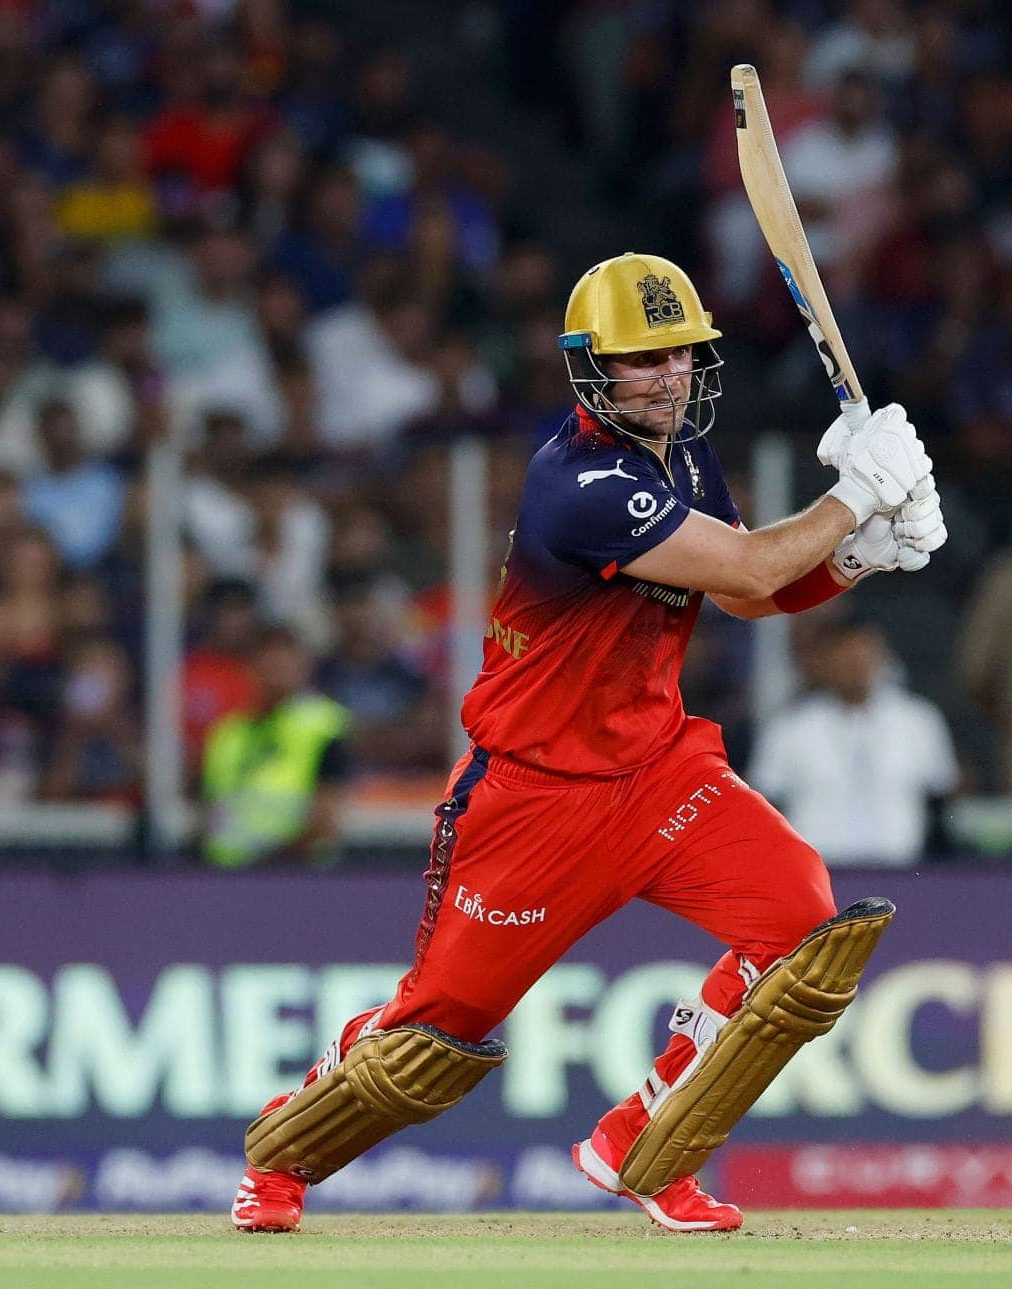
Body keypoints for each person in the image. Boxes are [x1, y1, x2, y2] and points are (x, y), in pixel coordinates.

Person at [228, 252, 947, 1234]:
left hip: (658, 770)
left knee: (801, 927)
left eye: (681, 353)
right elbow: (749, 563)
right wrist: (854, 496)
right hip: (532, 796)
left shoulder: (683, 455)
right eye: (642, 358)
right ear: (592, 369)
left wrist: (861, 554)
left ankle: (645, 1142)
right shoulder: (580, 482)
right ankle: (282, 1154)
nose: (668, 375)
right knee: (437, 1033)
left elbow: (744, 595)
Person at [751, 618, 959, 866]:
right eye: (845, 659)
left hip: (901, 869)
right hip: (817, 871)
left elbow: (942, 792)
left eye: (863, 657)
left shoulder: (919, 720)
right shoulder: (791, 726)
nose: (855, 667)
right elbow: (765, 801)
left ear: (882, 659)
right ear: (824, 662)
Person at [200, 628, 351, 868]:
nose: (274, 674)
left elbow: (326, 816)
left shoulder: (323, 725)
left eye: (283, 664)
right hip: (225, 870)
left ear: (304, 667)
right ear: (248, 670)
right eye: (267, 664)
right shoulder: (229, 732)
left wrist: (271, 863)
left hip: (293, 871)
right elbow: (213, 807)